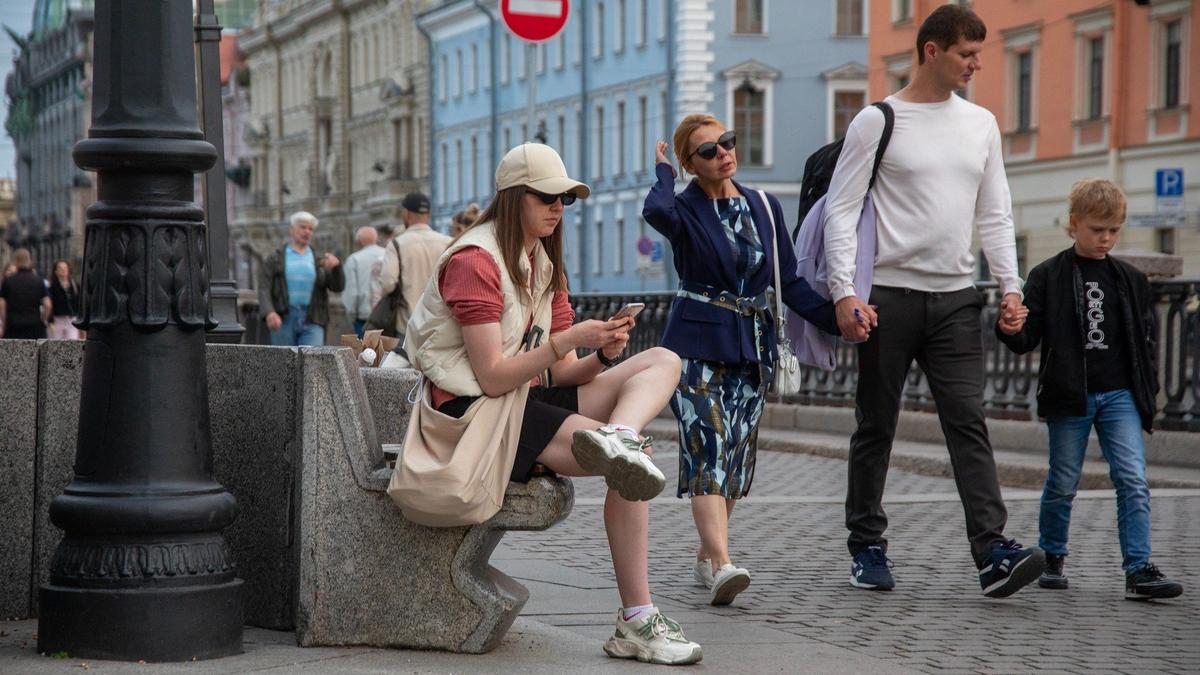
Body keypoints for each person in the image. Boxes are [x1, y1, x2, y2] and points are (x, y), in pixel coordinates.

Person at [405, 143, 702, 665]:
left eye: (566, 198)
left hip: (521, 397)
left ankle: (622, 435)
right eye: (547, 197)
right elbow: (493, 377)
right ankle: (637, 619)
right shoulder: (475, 260)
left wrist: (603, 355)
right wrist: (567, 342)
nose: (558, 207)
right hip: (473, 414)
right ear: (514, 197)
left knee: (662, 360)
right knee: (635, 471)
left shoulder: (543, 261)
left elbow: (560, 373)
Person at [822, 4, 1044, 597]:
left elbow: (995, 213)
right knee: (877, 424)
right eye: (966, 54)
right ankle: (867, 545)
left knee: (969, 422)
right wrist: (846, 293)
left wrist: (1011, 286)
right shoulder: (878, 120)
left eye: (978, 54)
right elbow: (842, 211)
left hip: (955, 300)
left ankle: (993, 550)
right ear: (931, 51)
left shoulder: (982, 125)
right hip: (887, 299)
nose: (976, 64)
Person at [643, 115, 839, 607]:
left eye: (727, 142)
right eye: (708, 151)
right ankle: (724, 564)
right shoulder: (683, 209)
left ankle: (709, 554)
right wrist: (665, 173)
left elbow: (789, 282)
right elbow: (656, 211)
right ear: (692, 164)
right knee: (707, 447)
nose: (724, 153)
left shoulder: (763, 206)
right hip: (694, 347)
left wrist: (839, 319)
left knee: (735, 461)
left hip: (752, 349)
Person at [997, 179, 1183, 601]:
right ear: (1074, 224)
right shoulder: (1048, 275)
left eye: (1114, 230)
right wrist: (1008, 326)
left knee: (1133, 479)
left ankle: (1138, 569)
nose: (1106, 238)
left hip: (1120, 395)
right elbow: (1026, 338)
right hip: (1070, 394)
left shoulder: (1131, 279)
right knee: (1063, 481)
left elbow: (1144, 342)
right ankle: (1053, 557)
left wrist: (1146, 392)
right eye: (1098, 229)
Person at [258, 211, 345, 346]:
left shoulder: (319, 259)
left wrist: (336, 268)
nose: (307, 232)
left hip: (313, 317)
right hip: (284, 317)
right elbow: (264, 287)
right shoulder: (275, 258)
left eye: (310, 229)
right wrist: (270, 312)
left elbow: (337, 287)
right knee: (285, 362)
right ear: (292, 230)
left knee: (313, 362)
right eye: (303, 227)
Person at [379, 191, 451, 340]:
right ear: (429, 214)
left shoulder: (397, 244)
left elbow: (387, 284)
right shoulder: (448, 242)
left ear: (405, 213)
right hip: (440, 325)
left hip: (408, 324)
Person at [341, 226, 386, 337]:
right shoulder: (389, 254)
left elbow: (352, 293)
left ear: (358, 241)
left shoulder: (354, 259)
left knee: (367, 353)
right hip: (388, 315)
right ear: (376, 239)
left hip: (364, 317)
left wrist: (351, 316)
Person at [0, 249, 51, 340]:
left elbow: (2, 305)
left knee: (13, 352)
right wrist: (43, 320)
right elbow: (47, 304)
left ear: (15, 262)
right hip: (34, 325)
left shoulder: (8, 282)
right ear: (29, 261)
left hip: (13, 325)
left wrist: (4, 324)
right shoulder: (38, 281)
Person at [47, 260, 82, 340]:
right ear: (56, 271)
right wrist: (50, 320)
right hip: (57, 319)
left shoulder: (75, 286)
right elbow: (50, 303)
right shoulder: (52, 287)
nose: (63, 270)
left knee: (73, 342)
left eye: (65, 268)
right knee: (56, 343)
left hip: (71, 319)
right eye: (60, 268)